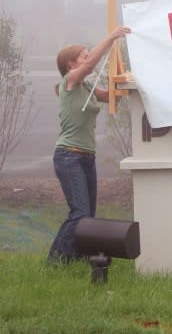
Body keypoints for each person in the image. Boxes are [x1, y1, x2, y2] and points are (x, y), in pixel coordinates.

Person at [48, 26, 131, 265]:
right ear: (71, 64)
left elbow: (113, 95)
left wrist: (123, 75)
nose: (88, 58)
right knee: (80, 214)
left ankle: (76, 258)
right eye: (84, 55)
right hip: (68, 156)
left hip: (86, 157)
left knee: (87, 216)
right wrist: (111, 37)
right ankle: (56, 261)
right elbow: (90, 65)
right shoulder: (70, 81)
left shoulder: (86, 87)